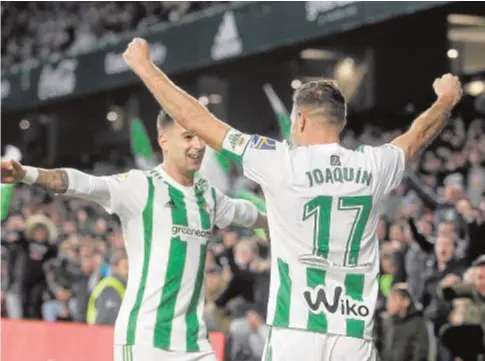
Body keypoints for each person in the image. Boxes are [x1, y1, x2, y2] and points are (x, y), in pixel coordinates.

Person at [121, 37, 462, 361]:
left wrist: (145, 68)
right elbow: (416, 137)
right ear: (341, 122)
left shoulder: (279, 161)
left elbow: (197, 119)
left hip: (296, 328)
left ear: (299, 119)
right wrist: (445, 100)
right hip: (353, 334)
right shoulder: (373, 165)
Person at [1, 111, 267, 361]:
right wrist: (26, 174)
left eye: (200, 137)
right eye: (188, 137)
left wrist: (276, 226)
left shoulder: (208, 196)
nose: (198, 145)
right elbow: (82, 183)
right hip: (145, 340)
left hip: (194, 342)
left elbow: (247, 213)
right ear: (164, 141)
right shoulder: (141, 186)